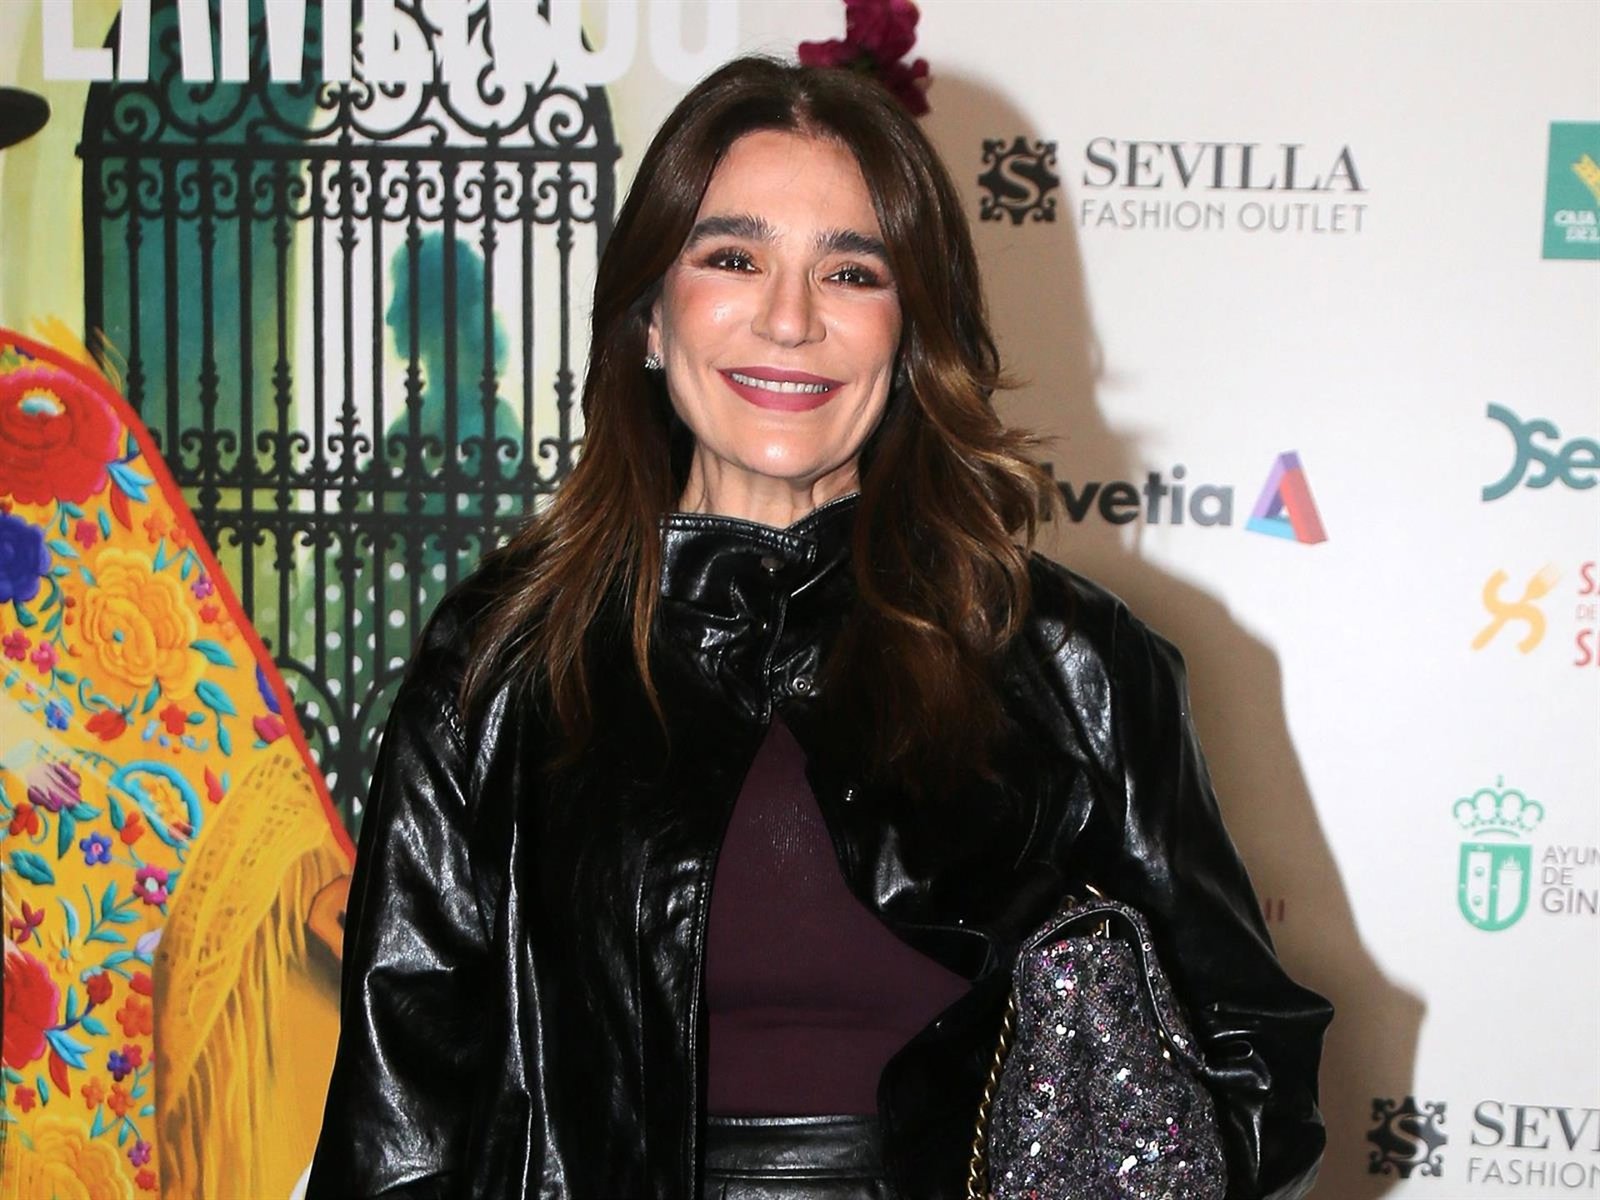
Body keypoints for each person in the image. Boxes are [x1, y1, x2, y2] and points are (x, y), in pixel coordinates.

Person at [306, 56, 1332, 1200]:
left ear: (910, 333)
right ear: (649, 317)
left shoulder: (1067, 664)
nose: (789, 319)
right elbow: (397, 1127)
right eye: (732, 258)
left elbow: (1256, 1057)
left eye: (850, 272)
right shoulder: (504, 660)